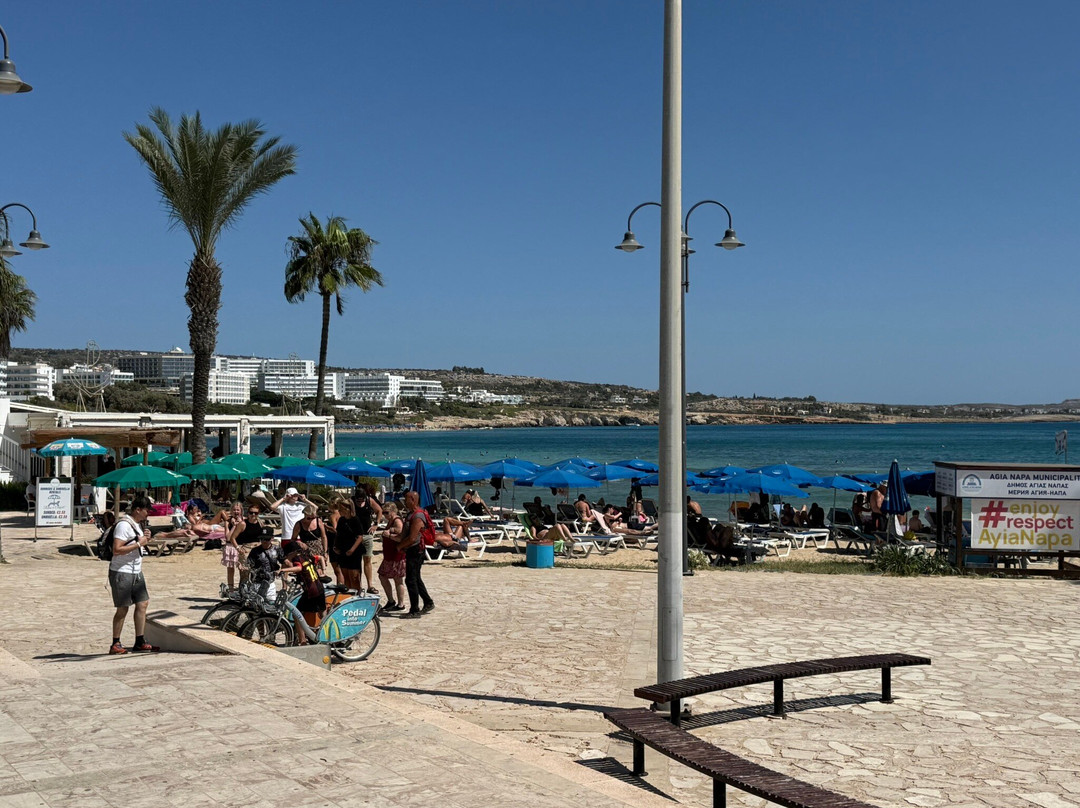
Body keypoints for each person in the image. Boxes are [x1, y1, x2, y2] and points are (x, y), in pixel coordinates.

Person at [107, 495, 160, 654]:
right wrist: (139, 543)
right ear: (138, 509)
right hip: (122, 572)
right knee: (123, 608)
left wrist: (144, 540)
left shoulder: (136, 524)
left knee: (143, 603)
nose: (148, 513)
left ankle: (140, 640)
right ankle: (115, 643)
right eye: (147, 510)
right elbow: (117, 549)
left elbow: (137, 544)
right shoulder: (124, 525)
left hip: (136, 571)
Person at [398, 490, 435, 618]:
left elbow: (412, 538)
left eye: (406, 499)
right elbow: (404, 535)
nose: (404, 501)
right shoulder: (410, 514)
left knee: (410, 580)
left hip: (416, 551)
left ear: (413, 500)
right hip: (411, 550)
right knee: (416, 578)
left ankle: (415, 610)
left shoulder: (418, 516)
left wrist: (400, 546)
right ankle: (428, 602)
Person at [280, 540, 326, 642]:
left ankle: (302, 640)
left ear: (292, 552)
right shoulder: (307, 556)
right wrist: (323, 570)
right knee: (322, 612)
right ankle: (324, 635)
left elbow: (299, 568)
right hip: (319, 587)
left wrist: (284, 570)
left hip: (311, 591)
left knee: (296, 613)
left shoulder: (297, 558)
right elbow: (321, 557)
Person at [351, 484, 383, 594]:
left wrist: (376, 524)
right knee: (355, 561)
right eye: (358, 501)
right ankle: (358, 586)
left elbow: (379, 510)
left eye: (361, 501)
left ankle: (370, 585)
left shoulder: (369, 501)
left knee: (367, 560)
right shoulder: (351, 501)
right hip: (355, 536)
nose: (360, 503)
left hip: (367, 534)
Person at [228, 503, 267, 587]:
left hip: (258, 549)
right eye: (251, 512)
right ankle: (243, 593)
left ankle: (254, 592)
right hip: (246, 549)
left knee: (257, 572)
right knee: (245, 573)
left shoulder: (260, 523)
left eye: (255, 513)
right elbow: (232, 538)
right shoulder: (243, 524)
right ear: (248, 513)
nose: (253, 515)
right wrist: (238, 548)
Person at [377, 503, 406, 613]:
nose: (384, 515)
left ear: (393, 511)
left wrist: (389, 534)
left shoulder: (397, 520)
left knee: (397, 579)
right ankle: (391, 601)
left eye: (386, 512)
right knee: (383, 576)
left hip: (396, 555)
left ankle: (400, 604)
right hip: (389, 555)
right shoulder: (391, 520)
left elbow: (400, 535)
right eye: (383, 512)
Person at [333, 499, 365, 593]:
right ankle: (349, 595)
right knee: (345, 574)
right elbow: (338, 534)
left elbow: (360, 537)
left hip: (353, 550)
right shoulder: (341, 520)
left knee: (354, 575)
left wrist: (352, 550)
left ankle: (357, 594)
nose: (339, 511)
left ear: (347, 508)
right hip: (343, 549)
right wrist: (335, 546)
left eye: (341, 509)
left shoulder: (355, 519)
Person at [247, 532, 283, 602]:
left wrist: (280, 570)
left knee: (270, 605)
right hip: (256, 583)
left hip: (270, 584)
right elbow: (248, 564)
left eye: (267, 539)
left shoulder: (277, 549)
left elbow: (284, 562)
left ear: (272, 538)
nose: (264, 541)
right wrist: (244, 567)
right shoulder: (255, 551)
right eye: (262, 539)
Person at [290, 505, 328, 571]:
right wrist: (299, 542)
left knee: (319, 570)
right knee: (308, 570)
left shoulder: (318, 521)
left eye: (313, 518)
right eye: (308, 518)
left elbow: (324, 537)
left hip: (318, 548)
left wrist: (325, 551)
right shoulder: (299, 524)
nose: (311, 520)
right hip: (306, 549)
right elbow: (293, 539)